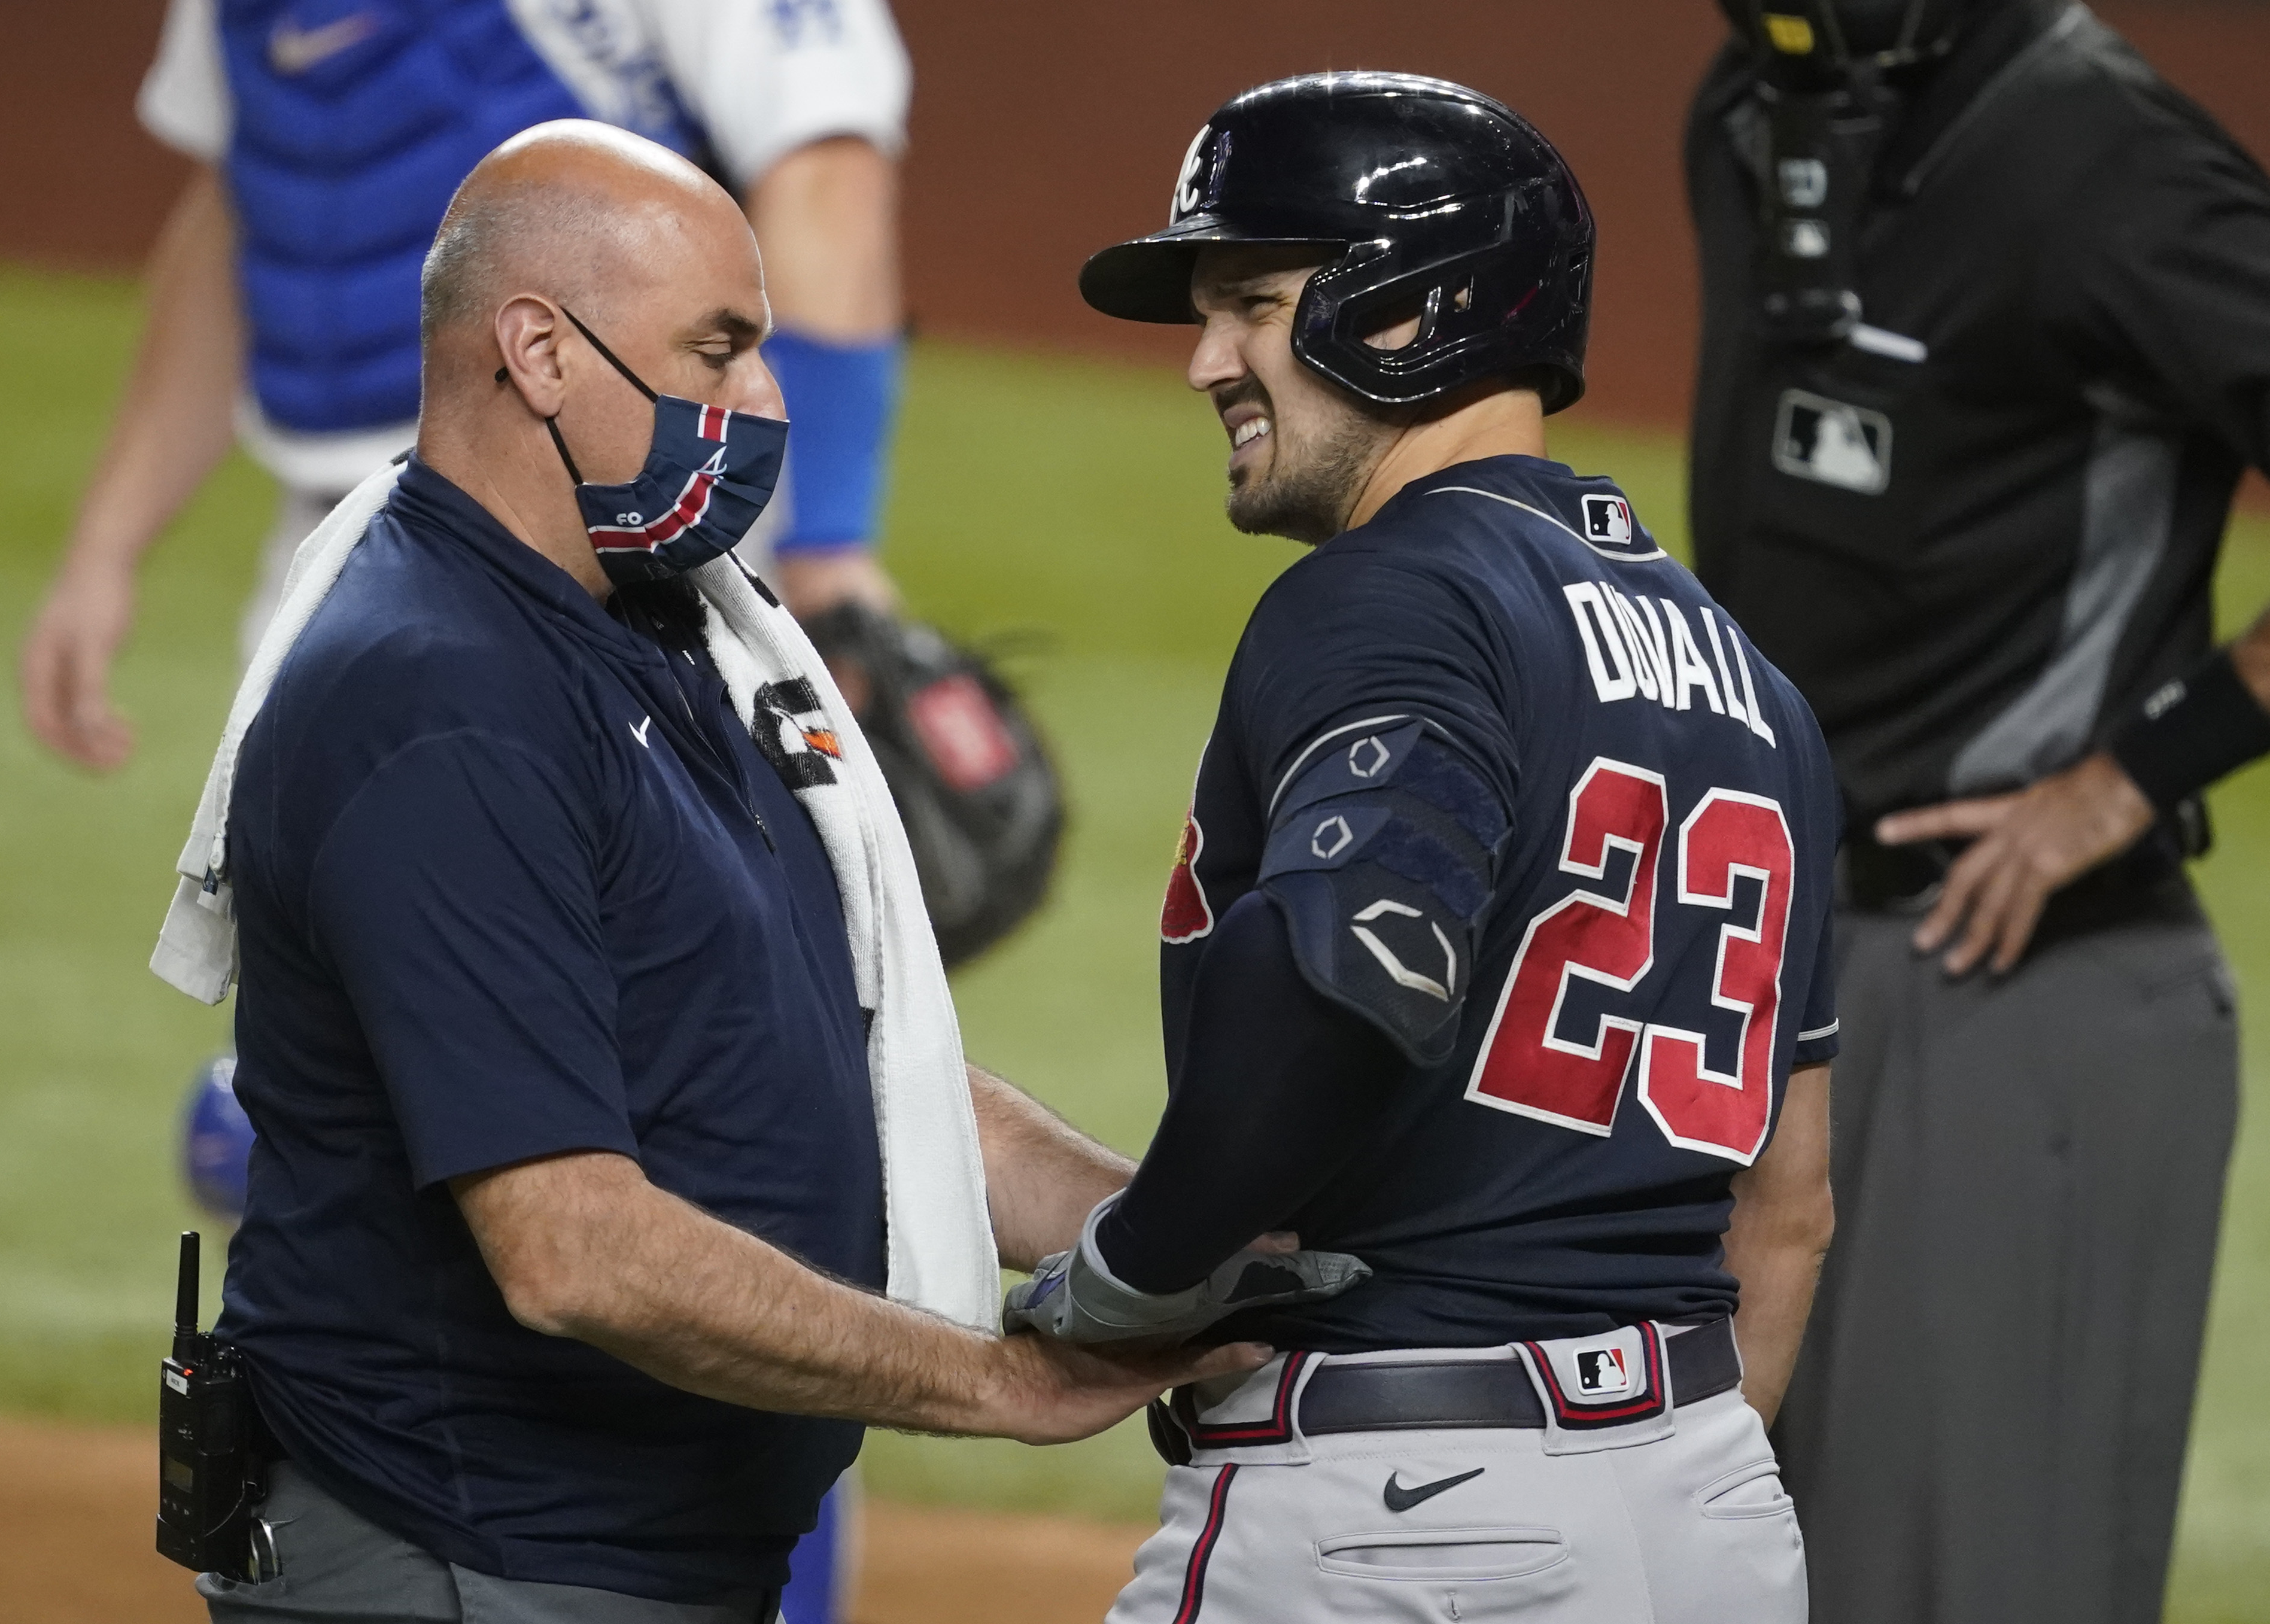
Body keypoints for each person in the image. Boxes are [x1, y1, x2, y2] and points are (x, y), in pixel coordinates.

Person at [149, 123, 1335, 1623]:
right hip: (467, 1564)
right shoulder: (437, 706)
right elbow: (575, 1249)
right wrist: (1010, 1380)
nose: (764, 404)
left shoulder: (665, 630)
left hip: (609, 1564)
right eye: (718, 352)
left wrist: (1192, 1239)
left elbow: (850, 1067)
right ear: (538, 350)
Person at [1007, 72, 1844, 1622]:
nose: (1204, 362)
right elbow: (1787, 1209)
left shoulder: (1394, 595)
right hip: (1704, 1509)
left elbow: (1349, 966)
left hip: (1393, 1523)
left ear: (1416, 309)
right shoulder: (1752, 683)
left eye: (1253, 302)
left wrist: (1138, 1271)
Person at [1685, 4, 2270, 1620]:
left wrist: (2138, 770)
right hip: (1756, 988)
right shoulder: (1756, 105)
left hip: (1998, 999)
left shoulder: (2110, 166)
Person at [21, 0, 913, 772]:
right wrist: (105, 546)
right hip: (342, 552)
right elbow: (265, 196)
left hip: (623, 544)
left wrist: (829, 553)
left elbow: (825, 165)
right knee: (332, 953)